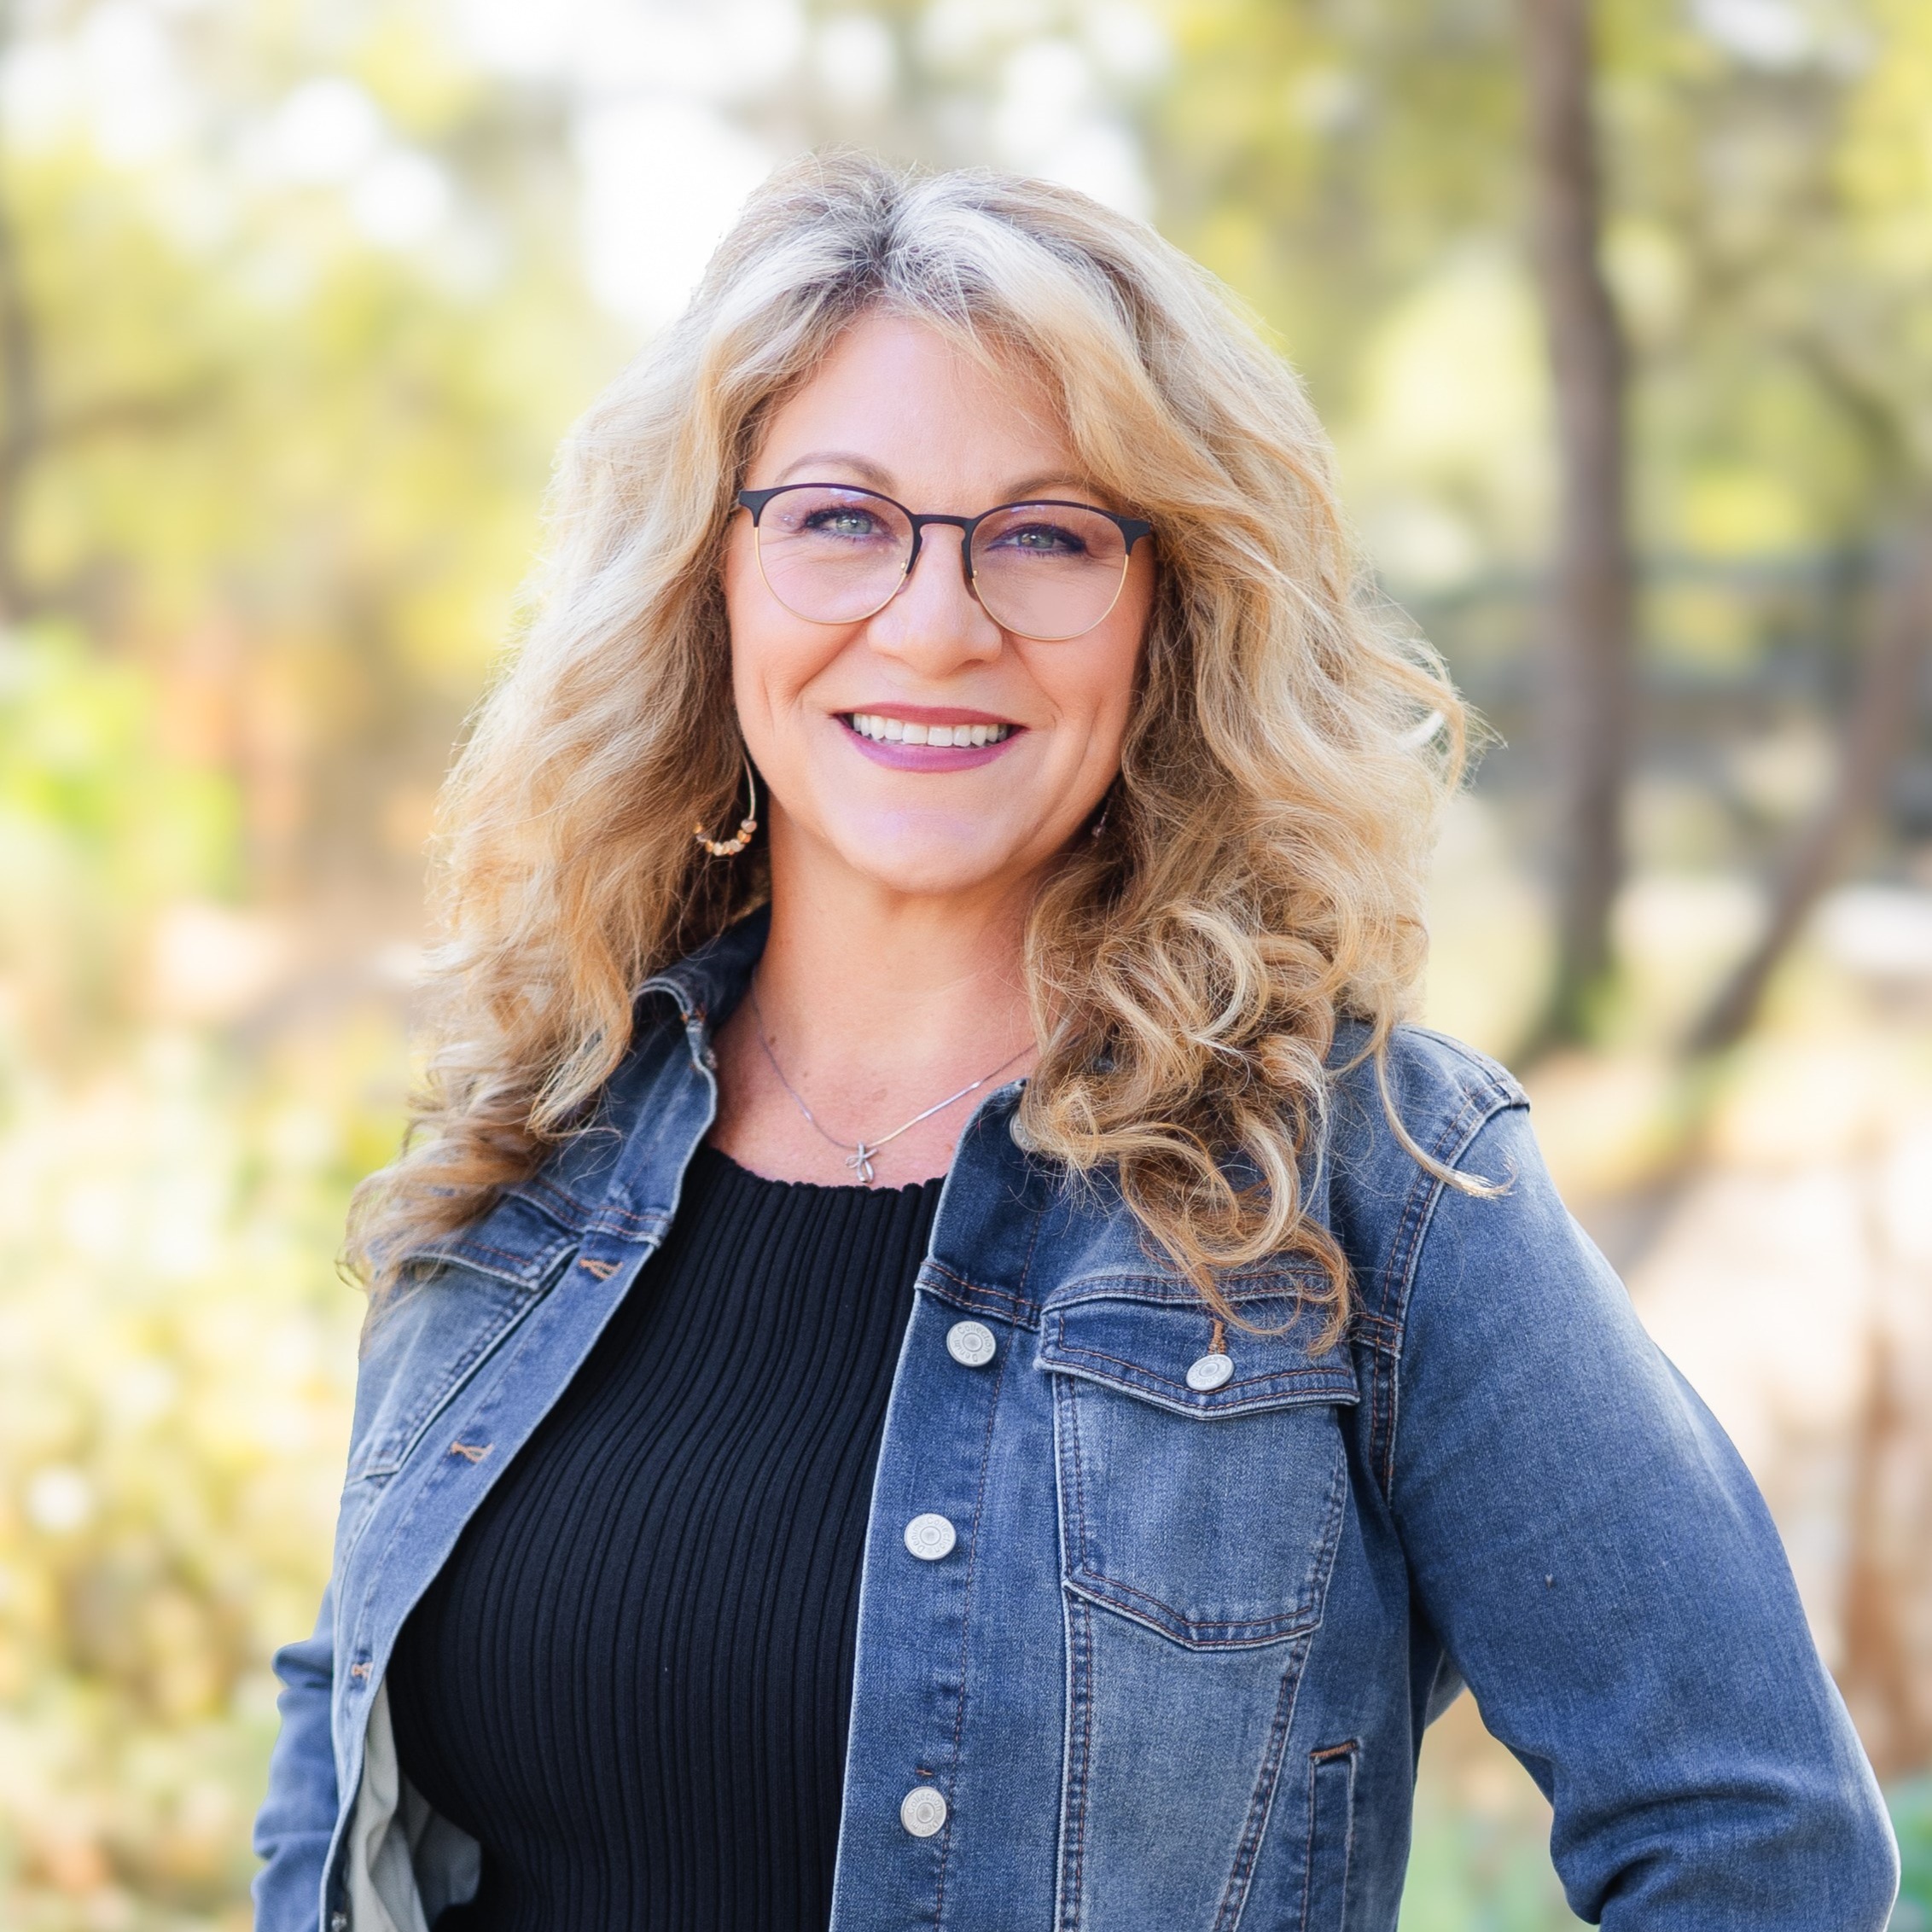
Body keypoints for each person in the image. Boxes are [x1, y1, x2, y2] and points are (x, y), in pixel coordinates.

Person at [251, 153, 1898, 1932]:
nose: (937, 621)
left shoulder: (1365, 1180)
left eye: (1048, 533)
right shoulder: (541, 1123)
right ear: (709, 575)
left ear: (1168, 612)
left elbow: (1759, 1848)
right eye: (838, 517)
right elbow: (341, 1761)